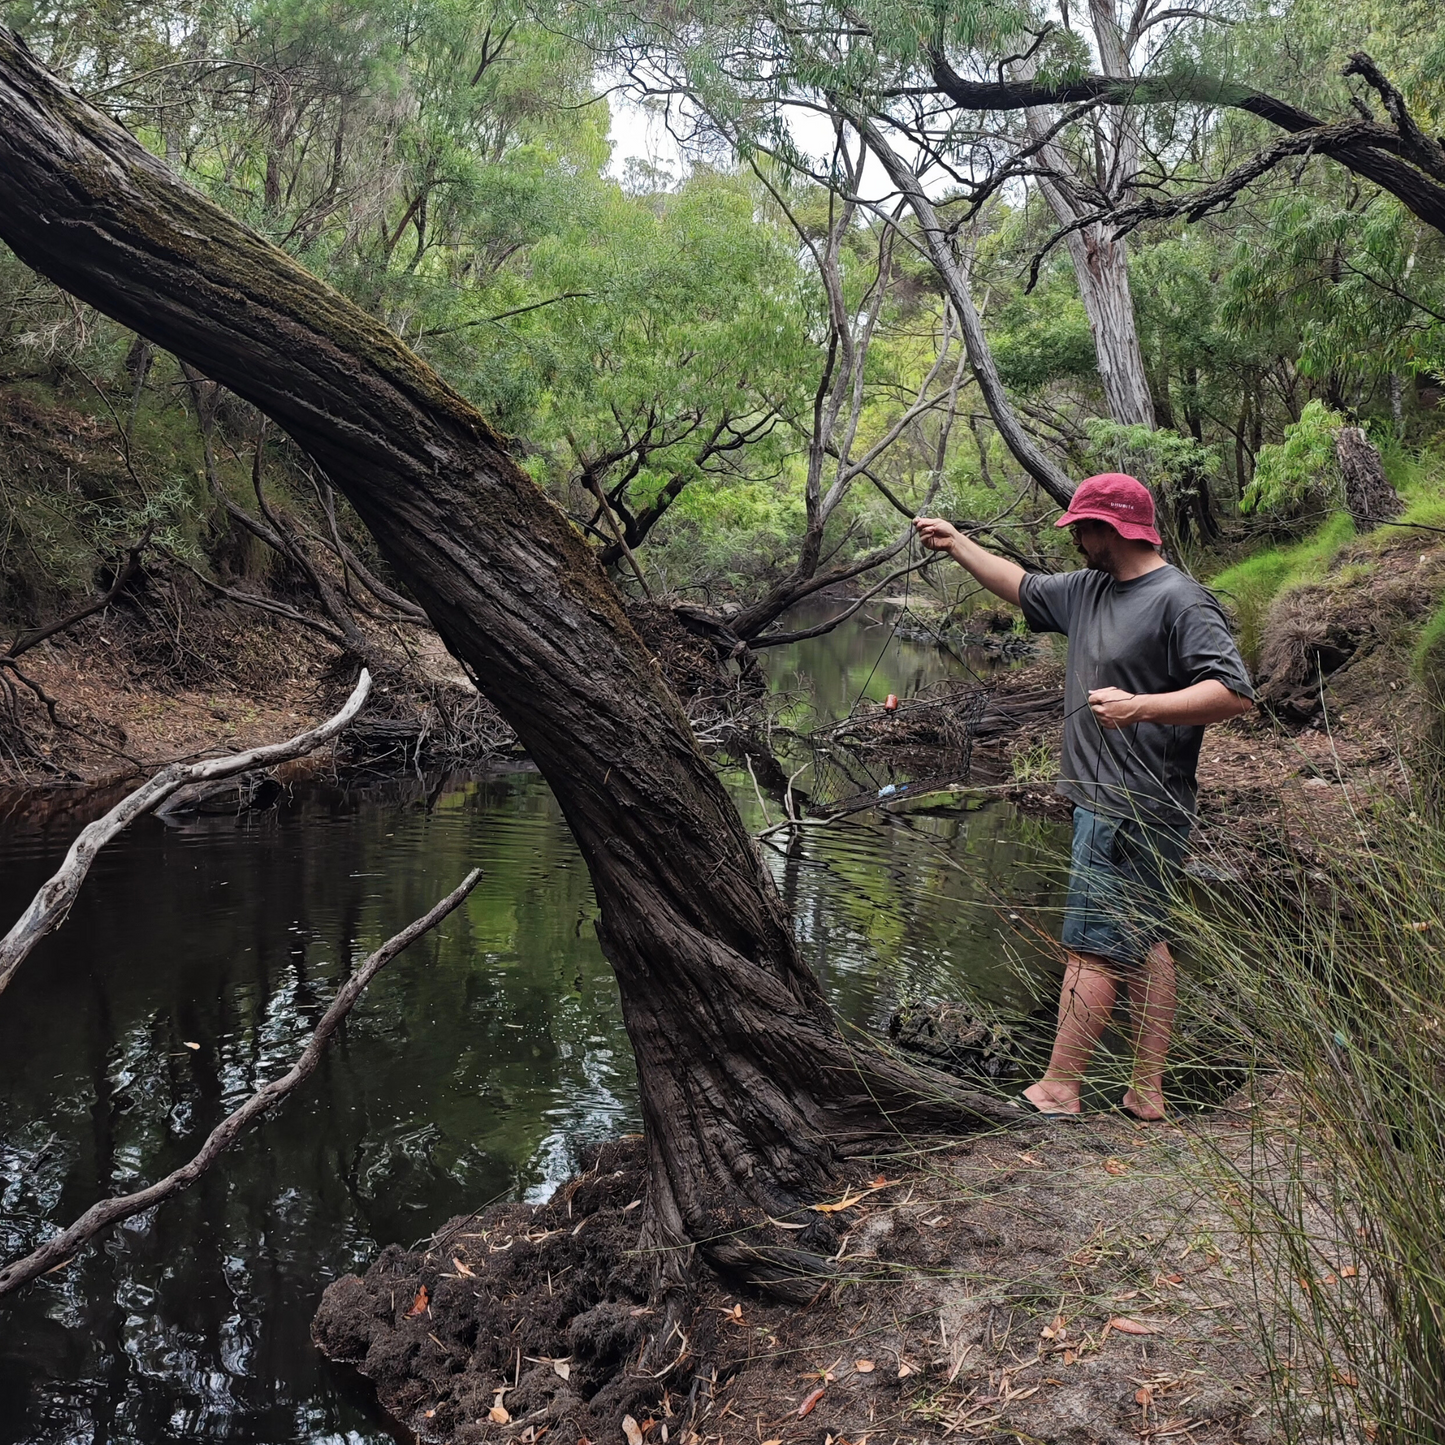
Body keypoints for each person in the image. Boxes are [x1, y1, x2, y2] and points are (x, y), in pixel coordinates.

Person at [915, 473, 1253, 1120]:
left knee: (1091, 949)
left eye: (1080, 528)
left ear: (1113, 528)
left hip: (1132, 808)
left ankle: (1057, 1088)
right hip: (1104, 803)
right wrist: (957, 543)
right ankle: (1145, 1093)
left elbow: (1234, 692)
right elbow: (1017, 583)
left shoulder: (1179, 600)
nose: (1073, 539)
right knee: (1144, 943)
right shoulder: (1088, 589)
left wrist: (1141, 708)